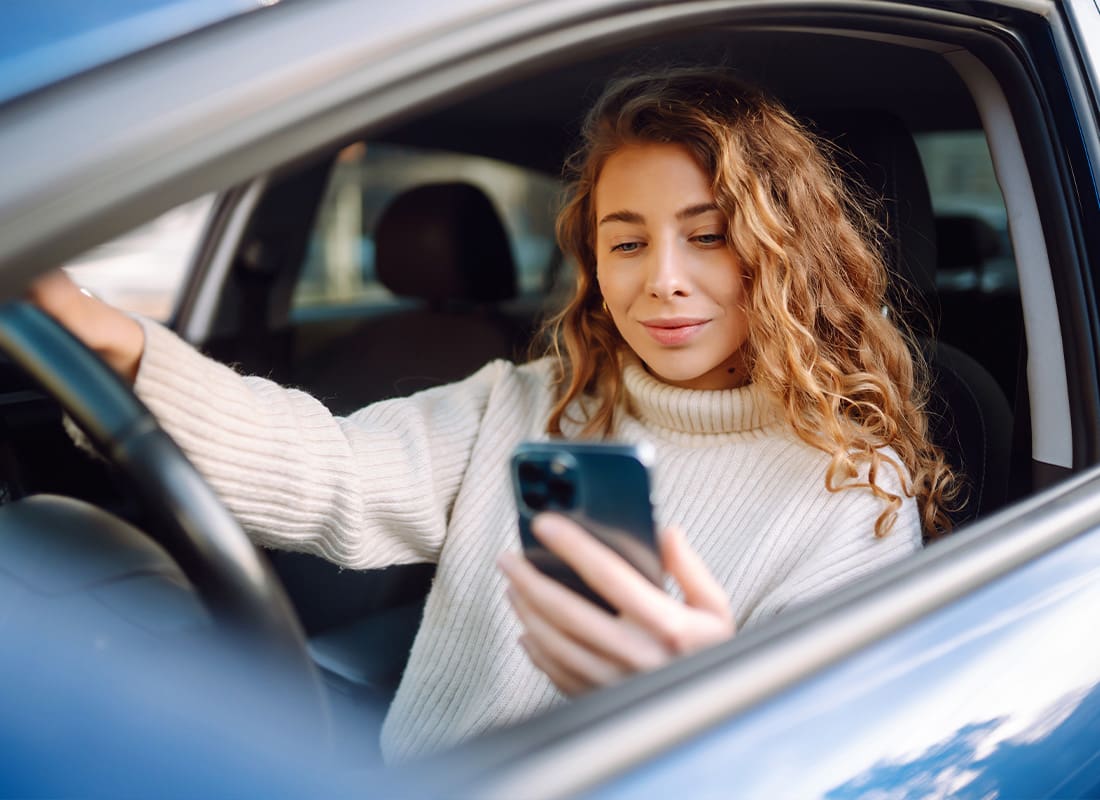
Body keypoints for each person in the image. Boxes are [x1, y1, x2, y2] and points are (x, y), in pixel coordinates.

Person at [30, 68, 956, 763]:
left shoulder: (847, 490)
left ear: (781, 249)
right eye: (626, 240)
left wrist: (704, 699)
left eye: (709, 235)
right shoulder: (531, 401)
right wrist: (112, 341)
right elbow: (329, 471)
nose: (662, 277)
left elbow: (825, 761)